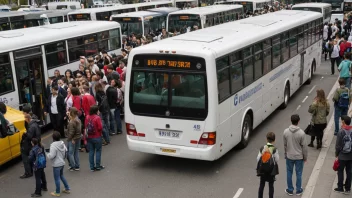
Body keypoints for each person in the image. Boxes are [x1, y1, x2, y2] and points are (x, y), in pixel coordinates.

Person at [283, 114, 307, 196]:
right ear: (298, 121)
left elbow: (285, 145)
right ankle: (298, 190)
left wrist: (286, 153)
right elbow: (304, 147)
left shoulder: (286, 131)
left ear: (291, 121)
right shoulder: (301, 133)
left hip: (289, 156)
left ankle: (290, 189)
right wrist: (305, 157)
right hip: (299, 157)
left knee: (289, 172)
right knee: (299, 173)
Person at [46, 131, 70, 197]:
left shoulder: (53, 145)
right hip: (62, 163)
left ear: (53, 138)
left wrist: (47, 154)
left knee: (57, 179)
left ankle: (57, 192)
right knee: (61, 176)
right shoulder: (62, 143)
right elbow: (66, 151)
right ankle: (67, 188)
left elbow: (51, 156)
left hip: (56, 165)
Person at [257, 132, 279, 198]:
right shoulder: (274, 149)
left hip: (263, 169)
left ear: (266, 139)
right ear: (274, 140)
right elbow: (277, 159)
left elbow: (258, 158)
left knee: (262, 184)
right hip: (271, 170)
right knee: (271, 185)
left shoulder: (263, 148)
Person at [20, 111, 41, 179]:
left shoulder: (31, 126)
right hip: (35, 143)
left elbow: (29, 136)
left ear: (27, 119)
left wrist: (25, 134)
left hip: (30, 144)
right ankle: (32, 170)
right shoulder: (35, 124)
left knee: (25, 157)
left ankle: (28, 172)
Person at [334, 115, 352, 194]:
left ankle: (340, 187)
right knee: (349, 171)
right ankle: (348, 188)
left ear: (343, 122)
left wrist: (337, 154)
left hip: (342, 155)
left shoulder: (341, 132)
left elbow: (338, 145)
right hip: (350, 155)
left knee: (340, 171)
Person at [85, 105, 105, 172]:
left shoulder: (87, 117)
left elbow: (85, 126)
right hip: (97, 136)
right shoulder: (97, 118)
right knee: (98, 151)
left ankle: (92, 167)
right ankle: (98, 166)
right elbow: (100, 128)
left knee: (91, 151)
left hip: (89, 137)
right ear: (96, 111)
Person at [67, 107, 82, 171]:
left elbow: (71, 132)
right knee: (76, 152)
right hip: (78, 138)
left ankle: (72, 166)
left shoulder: (72, 122)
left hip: (72, 139)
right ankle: (77, 165)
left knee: (70, 153)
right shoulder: (78, 120)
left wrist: (70, 138)